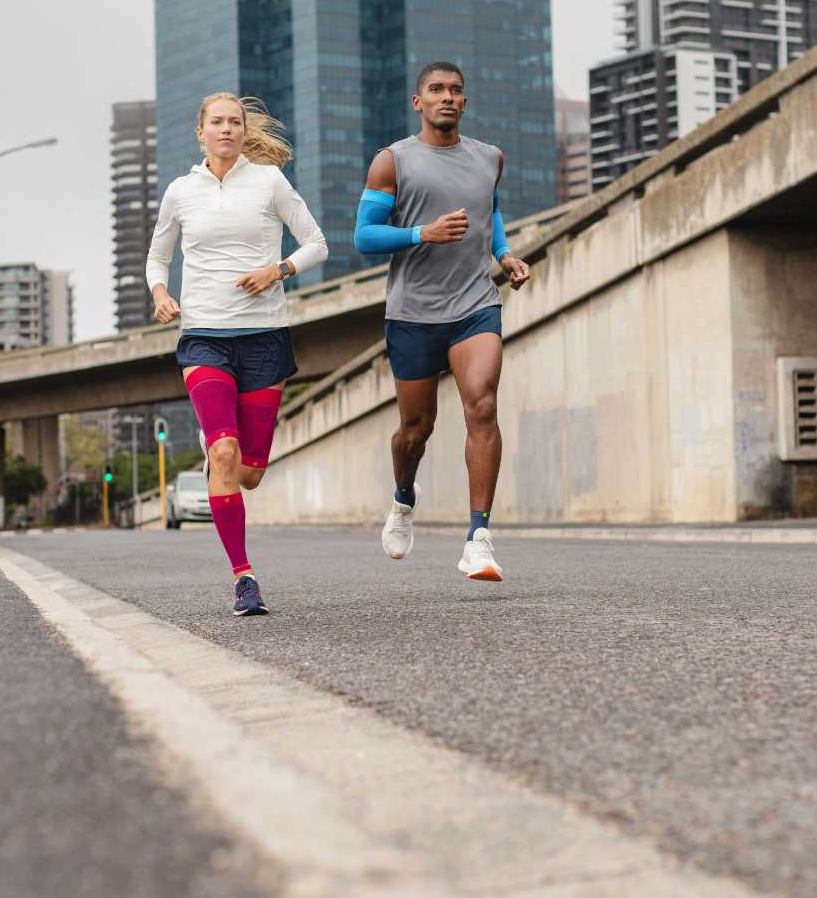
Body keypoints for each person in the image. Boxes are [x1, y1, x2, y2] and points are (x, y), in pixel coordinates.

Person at [147, 92, 328, 616]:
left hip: (265, 335)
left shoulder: (269, 182)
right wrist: (161, 293)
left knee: (249, 471)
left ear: (244, 131)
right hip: (203, 333)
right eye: (217, 122)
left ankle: (222, 447)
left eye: (234, 122)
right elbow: (158, 256)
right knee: (224, 454)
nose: (226, 129)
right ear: (199, 131)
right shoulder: (181, 191)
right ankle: (244, 578)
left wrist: (280, 270)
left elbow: (316, 243)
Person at [352, 61, 531, 581]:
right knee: (416, 429)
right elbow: (364, 237)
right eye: (436, 90)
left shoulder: (489, 158)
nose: (447, 97)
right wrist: (419, 235)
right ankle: (404, 498)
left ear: (465, 102)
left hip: (475, 303)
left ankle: (478, 537)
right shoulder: (393, 162)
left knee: (483, 404)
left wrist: (504, 253)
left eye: (456, 90)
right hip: (412, 312)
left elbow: (489, 209)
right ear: (419, 102)